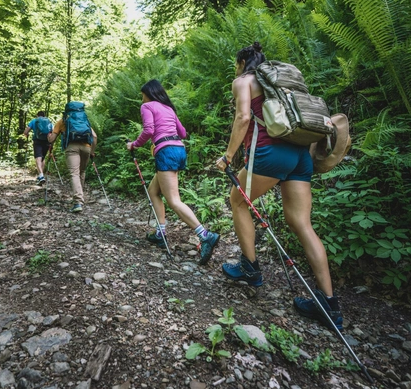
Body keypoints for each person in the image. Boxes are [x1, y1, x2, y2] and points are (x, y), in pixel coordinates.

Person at [215, 42, 343, 330]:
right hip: (301, 155)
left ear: (243, 61)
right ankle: (329, 303)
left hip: (271, 153)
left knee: (237, 201)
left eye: (237, 64)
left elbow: (244, 117)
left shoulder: (244, 81)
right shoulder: (283, 85)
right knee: (301, 223)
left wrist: (228, 156)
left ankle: (250, 268)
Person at [126, 79, 219, 266]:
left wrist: (134, 144)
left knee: (174, 200)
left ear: (148, 93)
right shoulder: (168, 108)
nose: (142, 98)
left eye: (142, 94)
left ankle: (205, 235)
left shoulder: (147, 106)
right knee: (154, 191)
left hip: (166, 151)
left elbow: (149, 129)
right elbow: (183, 133)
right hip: (179, 149)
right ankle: (160, 233)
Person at [48, 101, 98, 213]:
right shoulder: (84, 121)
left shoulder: (63, 121)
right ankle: (80, 196)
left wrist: (48, 136)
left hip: (72, 148)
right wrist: (92, 152)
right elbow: (94, 137)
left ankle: (78, 202)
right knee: (82, 172)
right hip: (86, 147)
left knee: (74, 173)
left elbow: (52, 139)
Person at [23, 111, 52, 185]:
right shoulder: (48, 121)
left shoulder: (34, 120)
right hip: (46, 142)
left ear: (37, 115)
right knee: (42, 158)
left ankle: (41, 176)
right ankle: (40, 176)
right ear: (44, 115)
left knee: (38, 158)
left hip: (37, 141)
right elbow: (52, 132)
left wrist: (26, 134)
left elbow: (26, 131)